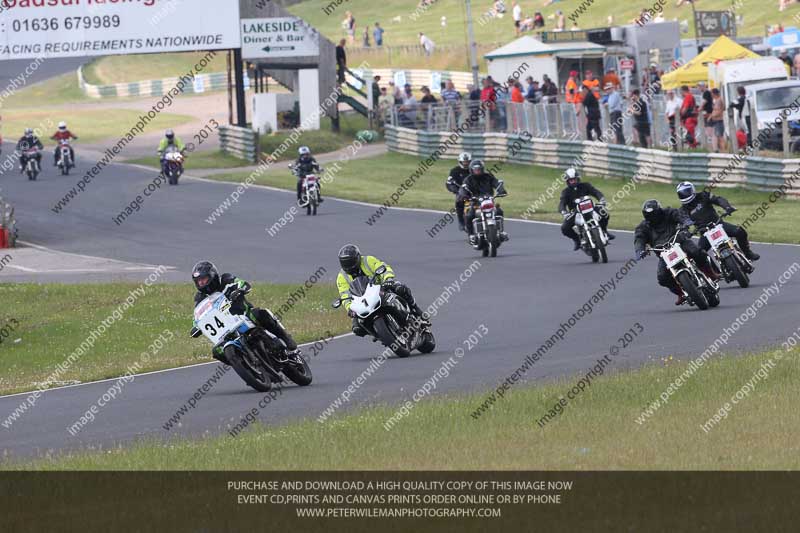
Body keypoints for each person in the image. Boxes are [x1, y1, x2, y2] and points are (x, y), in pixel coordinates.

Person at [190, 261, 300, 361]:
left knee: (261, 313)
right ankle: (244, 364)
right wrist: (196, 326)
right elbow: (198, 315)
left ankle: (286, 338)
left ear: (212, 276)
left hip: (244, 315)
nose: (201, 284)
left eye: (203, 280)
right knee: (217, 351)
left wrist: (240, 289)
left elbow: (241, 283)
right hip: (226, 329)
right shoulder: (200, 298)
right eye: (198, 281)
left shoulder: (225, 279)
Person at [634, 199, 717, 305]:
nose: (653, 217)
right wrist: (639, 250)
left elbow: (679, 215)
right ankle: (681, 293)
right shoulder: (643, 227)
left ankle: (711, 273)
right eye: (650, 215)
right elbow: (639, 239)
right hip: (664, 253)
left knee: (696, 251)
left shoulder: (668, 212)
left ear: (659, 210)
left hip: (680, 242)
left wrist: (686, 223)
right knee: (662, 277)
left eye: (654, 214)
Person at [336, 244, 429, 337]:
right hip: (362, 301)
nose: (349, 266)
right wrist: (349, 308)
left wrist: (388, 280)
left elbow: (383, 268)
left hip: (381, 288)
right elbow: (344, 295)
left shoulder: (368, 260)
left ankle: (416, 310)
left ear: (357, 258)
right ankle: (380, 335)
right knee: (357, 328)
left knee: (401, 289)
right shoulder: (342, 277)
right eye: (345, 263)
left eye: (350, 262)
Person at [676, 182, 759, 261]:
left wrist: (727, 207)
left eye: (686, 192)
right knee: (698, 254)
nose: (685, 195)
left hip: (718, 225)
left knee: (740, 231)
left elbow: (718, 199)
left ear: (692, 190)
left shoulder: (704, 195)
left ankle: (747, 253)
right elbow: (684, 221)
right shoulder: (683, 210)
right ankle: (715, 274)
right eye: (682, 194)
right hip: (704, 233)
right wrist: (685, 230)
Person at [558, 167, 614, 251]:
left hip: (590, 208)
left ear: (578, 179)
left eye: (574, 179)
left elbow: (596, 192)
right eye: (571, 180)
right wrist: (564, 211)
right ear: (567, 181)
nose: (573, 181)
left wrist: (601, 199)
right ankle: (577, 240)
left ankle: (604, 231)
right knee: (564, 228)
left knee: (605, 214)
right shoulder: (565, 192)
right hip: (576, 213)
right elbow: (562, 203)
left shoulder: (585, 185)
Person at [458, 160, 509, 246]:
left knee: (499, 211)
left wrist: (501, 190)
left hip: (489, 202)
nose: (477, 171)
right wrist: (464, 195)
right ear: (471, 170)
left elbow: (496, 183)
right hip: (476, 203)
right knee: (469, 215)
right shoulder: (468, 179)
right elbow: (463, 188)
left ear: (482, 169)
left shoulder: (488, 176)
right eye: (475, 169)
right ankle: (471, 235)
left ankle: (501, 231)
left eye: (479, 169)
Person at [446, 152, 472, 232]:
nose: (465, 164)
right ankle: (461, 221)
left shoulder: (474, 170)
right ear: (460, 162)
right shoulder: (455, 171)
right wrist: (454, 189)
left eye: (467, 162)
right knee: (459, 201)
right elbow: (449, 182)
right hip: (461, 192)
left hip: (474, 191)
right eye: (464, 162)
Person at [710, 88, 726, 152]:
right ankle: (717, 149)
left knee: (720, 137)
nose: (711, 95)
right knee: (716, 135)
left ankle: (724, 151)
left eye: (711, 93)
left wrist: (712, 116)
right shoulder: (716, 100)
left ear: (714, 93)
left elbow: (719, 110)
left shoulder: (719, 100)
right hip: (716, 120)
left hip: (718, 120)